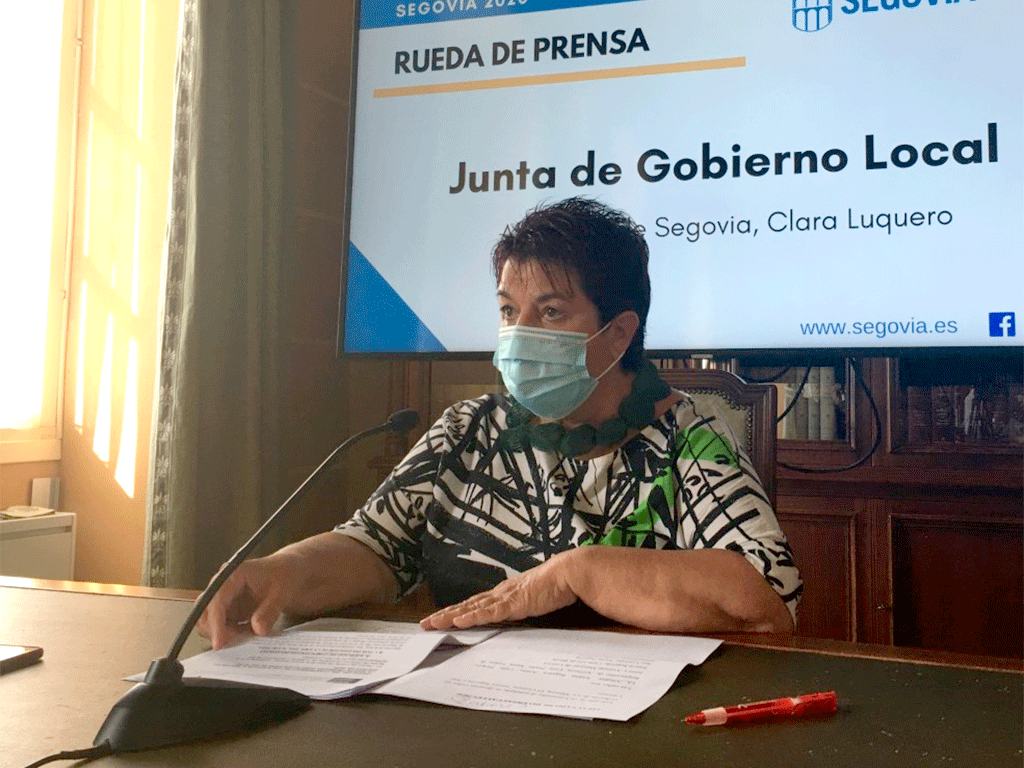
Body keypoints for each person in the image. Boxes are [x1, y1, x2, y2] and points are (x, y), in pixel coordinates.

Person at [198, 198, 801, 649]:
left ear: (618, 333)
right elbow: (375, 546)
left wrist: (582, 569)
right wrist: (284, 570)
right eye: (510, 311)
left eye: (551, 312)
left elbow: (765, 596)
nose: (518, 336)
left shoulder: (688, 440)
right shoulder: (468, 428)